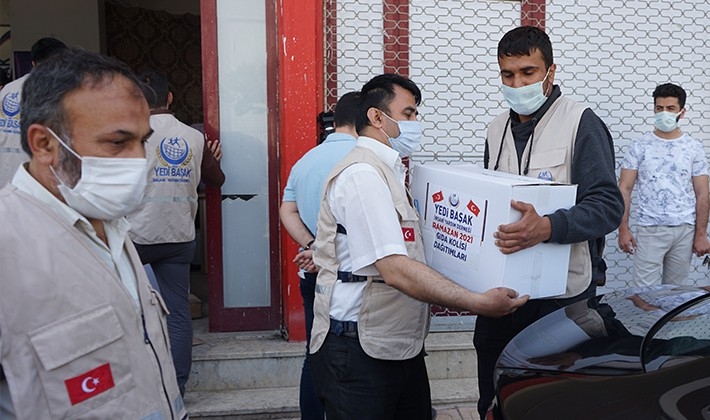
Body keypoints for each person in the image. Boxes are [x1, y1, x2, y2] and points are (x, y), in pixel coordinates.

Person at [309, 73, 528, 420]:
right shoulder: (364, 176)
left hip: (396, 346)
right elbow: (395, 269)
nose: (415, 123)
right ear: (377, 117)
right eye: (408, 114)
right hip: (360, 351)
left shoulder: (389, 172)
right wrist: (477, 302)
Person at [0, 48, 186, 418]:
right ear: (44, 144)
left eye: (142, 141)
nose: (138, 160)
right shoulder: (9, 246)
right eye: (117, 143)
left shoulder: (115, 228)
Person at [476, 26, 624, 418]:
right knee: (494, 399)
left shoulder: (581, 123)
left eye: (528, 72)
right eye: (508, 75)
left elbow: (609, 205)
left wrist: (548, 227)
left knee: (551, 404)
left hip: (561, 301)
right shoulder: (496, 129)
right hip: (502, 297)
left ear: (550, 72)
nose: (517, 83)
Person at [127, 70, 225, 396]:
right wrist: (210, 159)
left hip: (135, 237)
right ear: (170, 98)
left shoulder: (128, 134)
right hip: (180, 236)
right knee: (178, 313)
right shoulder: (194, 137)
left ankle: (141, 388)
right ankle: (177, 388)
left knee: (130, 308)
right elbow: (217, 180)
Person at [280, 92, 360, 420]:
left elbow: (287, 209)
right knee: (356, 357)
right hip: (351, 278)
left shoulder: (306, 160)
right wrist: (324, 251)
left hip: (312, 275)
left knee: (315, 354)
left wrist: (311, 245)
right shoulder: (362, 160)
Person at [618, 83, 710, 286]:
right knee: (644, 295)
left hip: (685, 229)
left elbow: (703, 193)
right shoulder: (639, 146)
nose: (664, 113)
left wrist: (701, 234)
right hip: (650, 228)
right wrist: (623, 229)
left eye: (670, 109)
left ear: (682, 112)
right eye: (659, 109)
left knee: (677, 295)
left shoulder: (693, 148)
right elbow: (624, 188)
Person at [0, 37, 67, 187]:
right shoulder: (56, 91)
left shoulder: (8, 89)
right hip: (33, 177)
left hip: (4, 173)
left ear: (33, 63)